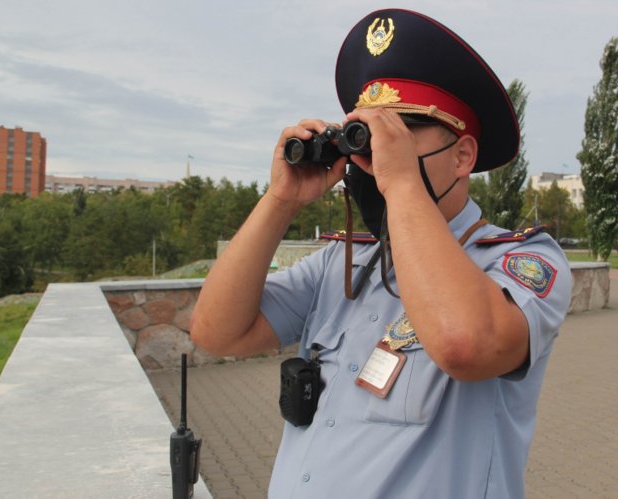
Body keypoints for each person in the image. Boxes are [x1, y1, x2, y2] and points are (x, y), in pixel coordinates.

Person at [191, 8, 571, 498]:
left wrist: (401, 182)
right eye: (368, 134)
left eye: (402, 130)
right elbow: (217, 333)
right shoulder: (342, 264)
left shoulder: (520, 263)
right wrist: (279, 200)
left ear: (462, 156)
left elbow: (465, 344)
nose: (377, 155)